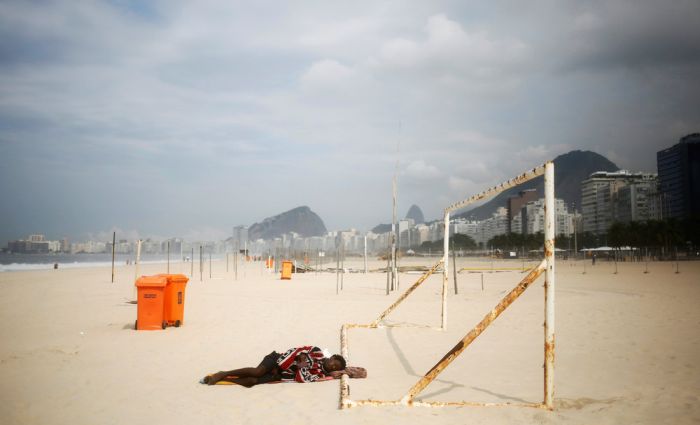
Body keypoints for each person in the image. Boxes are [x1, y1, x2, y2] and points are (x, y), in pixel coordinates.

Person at [201, 345, 346, 387]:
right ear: (332, 357)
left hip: (280, 374)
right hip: (276, 359)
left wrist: (299, 365)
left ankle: (221, 381)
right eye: (334, 362)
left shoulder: (320, 374)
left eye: (335, 367)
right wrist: (293, 363)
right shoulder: (317, 352)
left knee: (252, 382)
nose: (332, 366)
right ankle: (223, 373)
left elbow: (302, 378)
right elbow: (295, 351)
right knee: (257, 372)